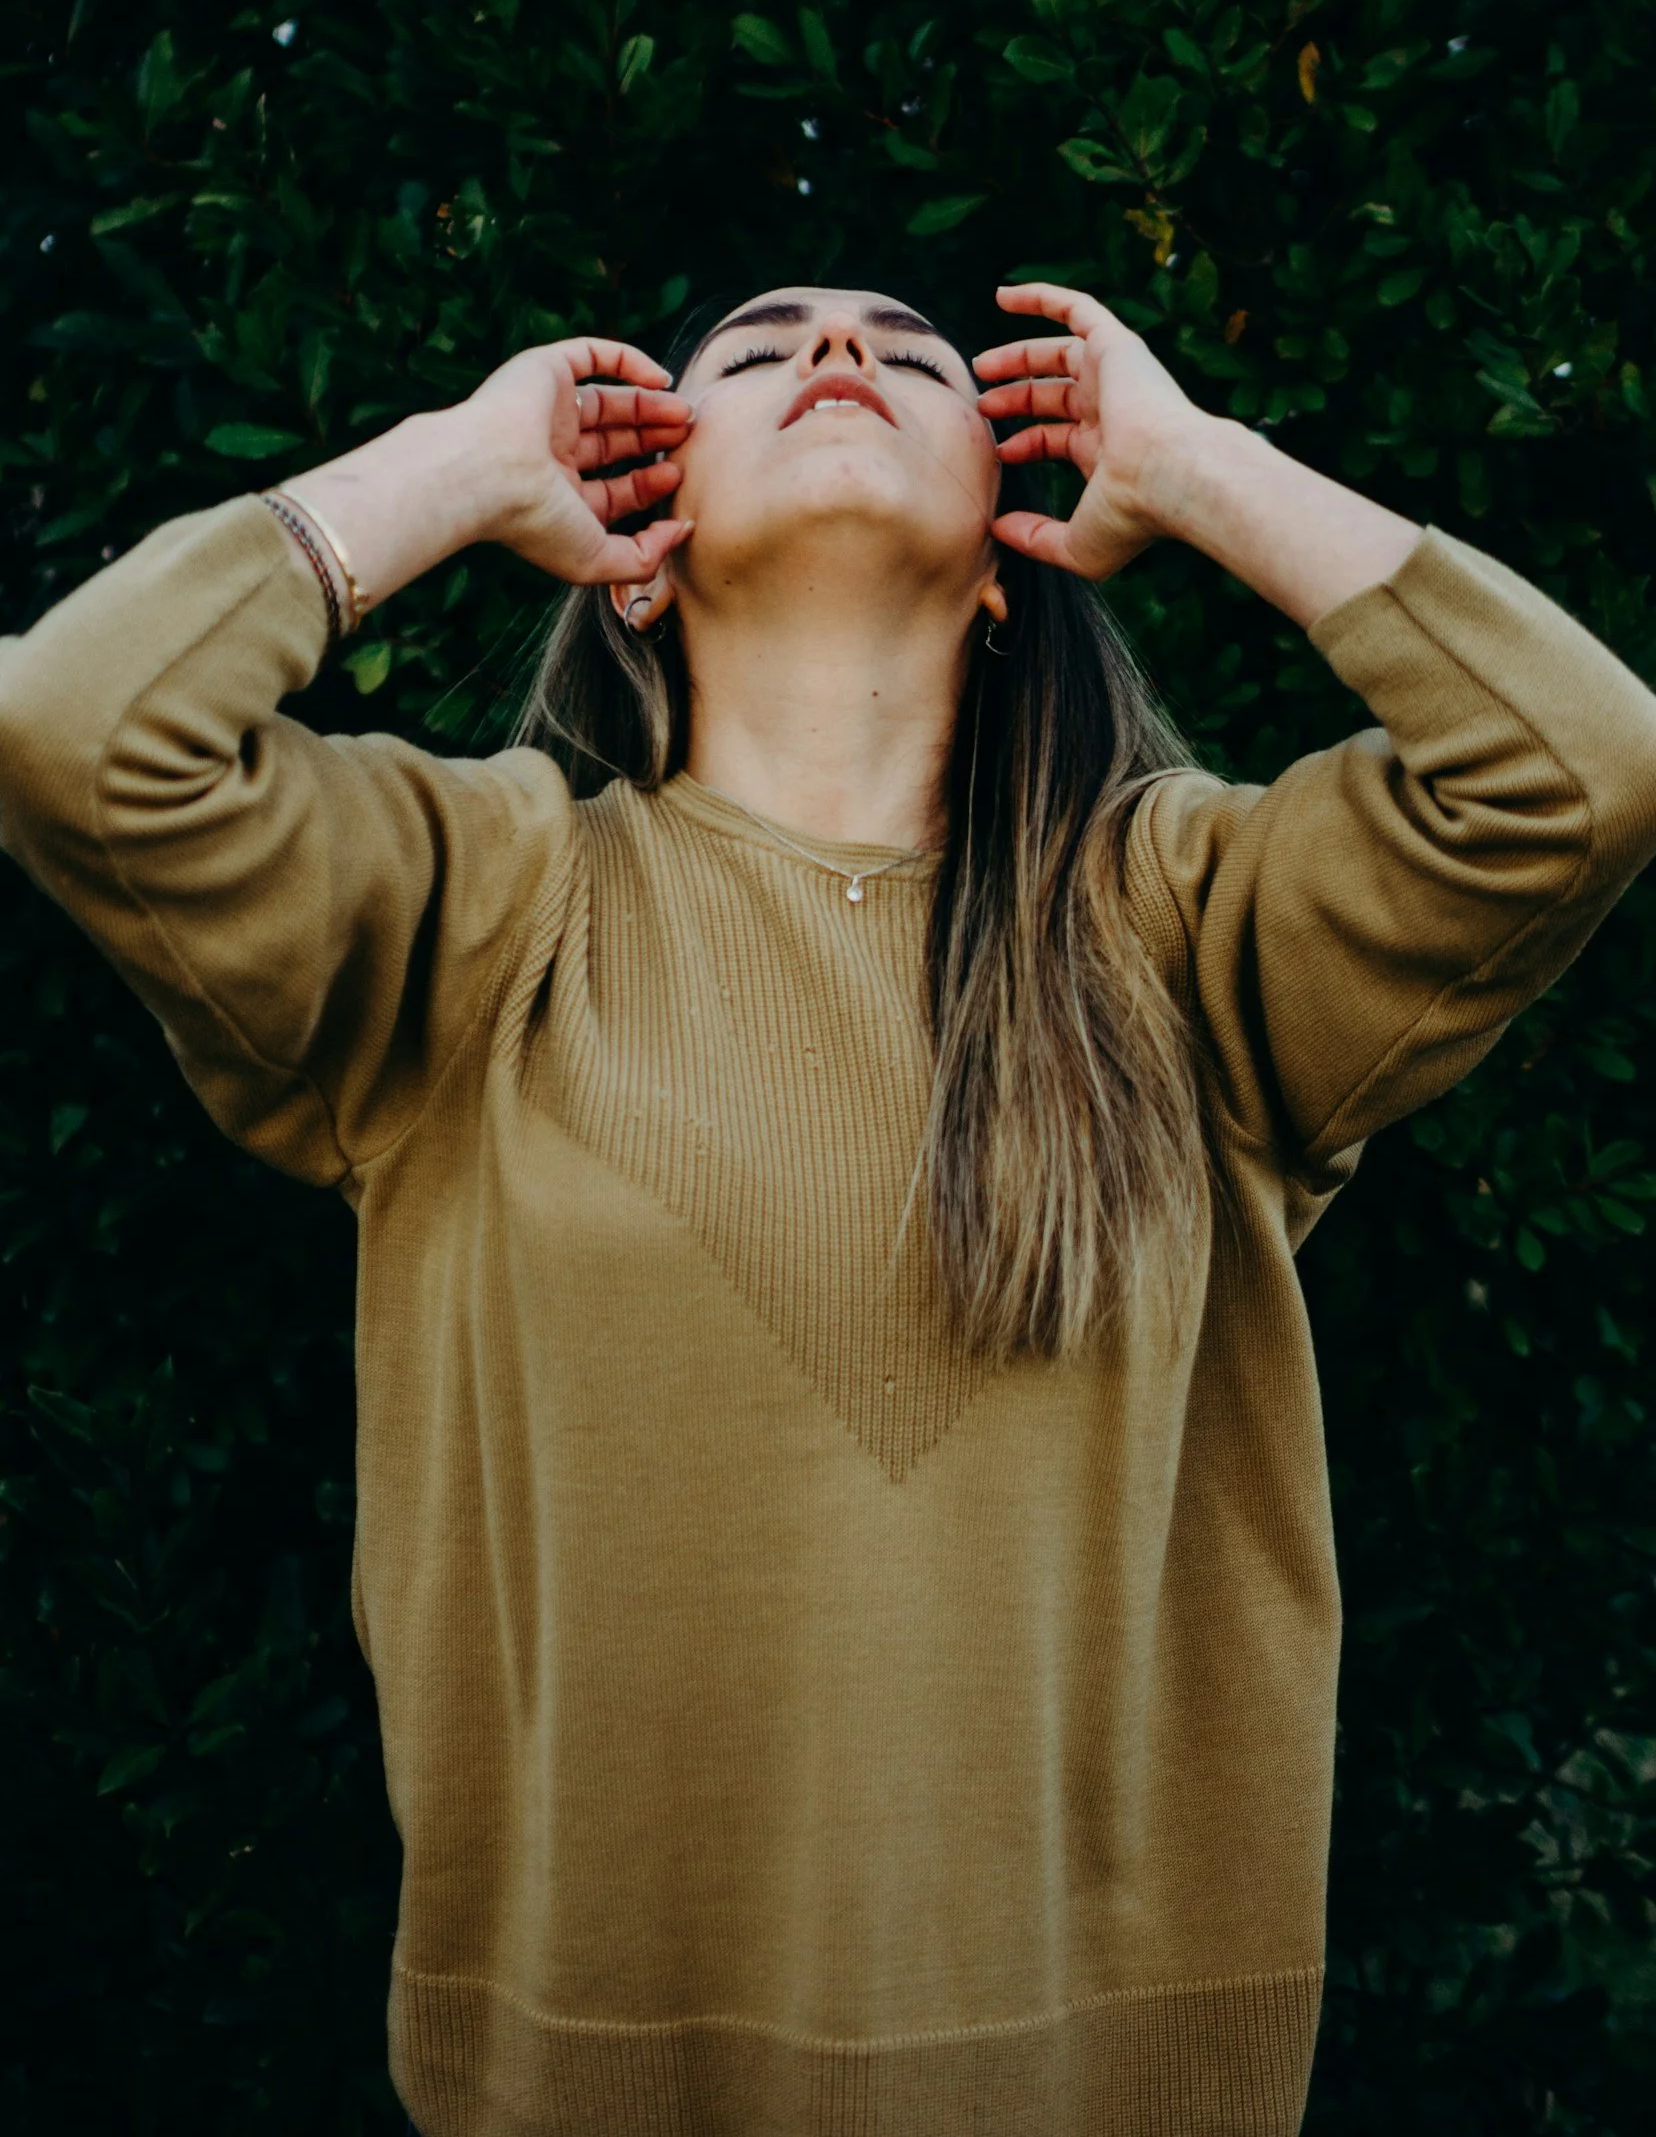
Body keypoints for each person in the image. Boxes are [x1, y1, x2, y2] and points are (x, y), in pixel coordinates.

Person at [3, 281, 1654, 2137]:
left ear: (1014, 553)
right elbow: (77, 735)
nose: (843, 356)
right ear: (636, 537)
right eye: (760, 348)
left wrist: (1202, 465)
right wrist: (454, 463)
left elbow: (1577, 774)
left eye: (922, 353)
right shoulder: (478, 912)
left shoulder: (1189, 926)